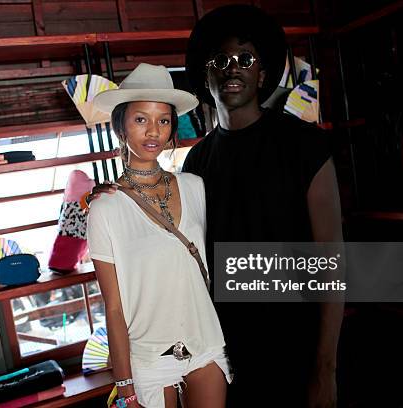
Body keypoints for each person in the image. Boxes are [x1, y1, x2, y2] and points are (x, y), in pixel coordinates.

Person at [183, 5, 344, 407]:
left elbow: (332, 258)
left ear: (263, 74)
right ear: (207, 77)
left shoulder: (305, 145)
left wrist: (325, 368)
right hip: (229, 357)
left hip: (298, 350)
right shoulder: (195, 163)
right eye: (220, 60)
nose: (232, 68)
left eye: (245, 58)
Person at [87, 63, 232, 408]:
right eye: (140, 119)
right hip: (148, 357)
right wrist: (125, 387)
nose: (153, 131)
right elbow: (115, 307)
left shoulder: (194, 186)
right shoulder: (105, 208)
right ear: (120, 125)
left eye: (163, 121)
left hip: (204, 341)